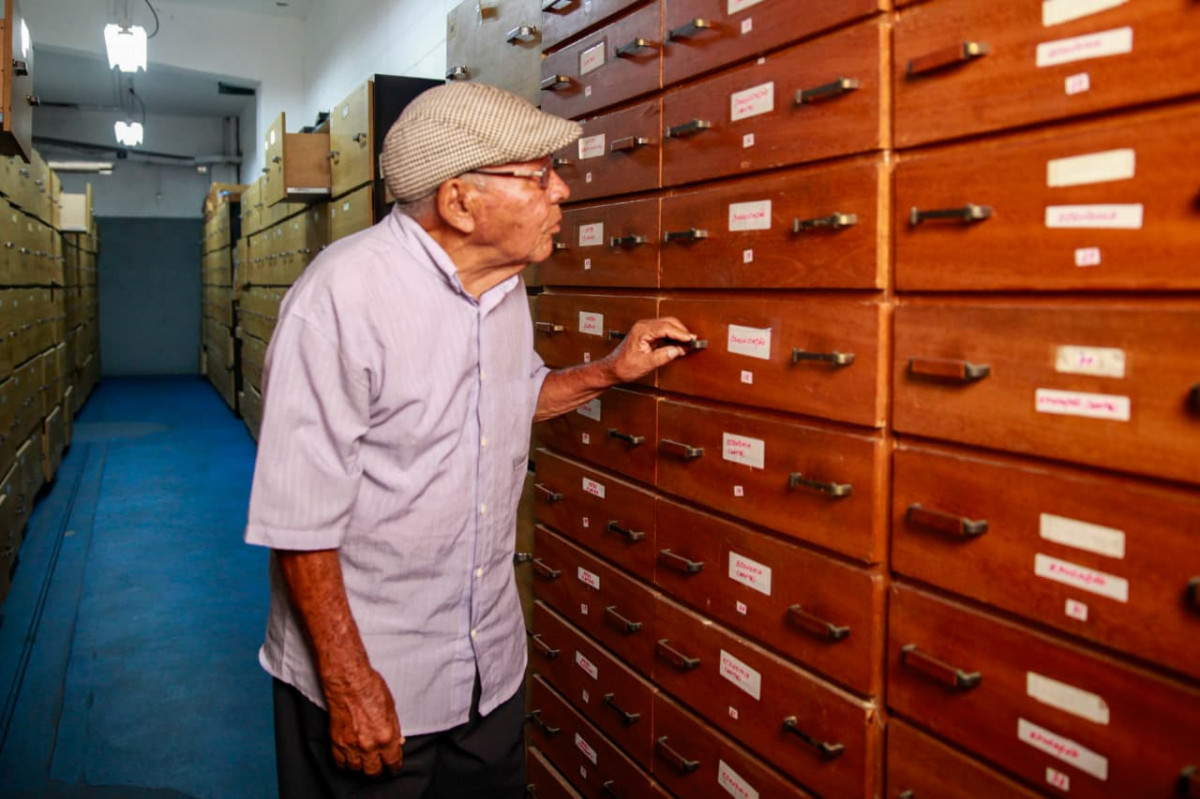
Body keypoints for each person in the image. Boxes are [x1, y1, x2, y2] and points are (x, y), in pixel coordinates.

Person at [244, 81, 696, 798]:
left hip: (487, 669)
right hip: (377, 678)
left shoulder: (503, 286)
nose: (564, 191)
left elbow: (506, 405)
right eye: (539, 175)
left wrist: (608, 371)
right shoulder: (341, 300)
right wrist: (349, 681)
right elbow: (298, 521)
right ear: (459, 202)